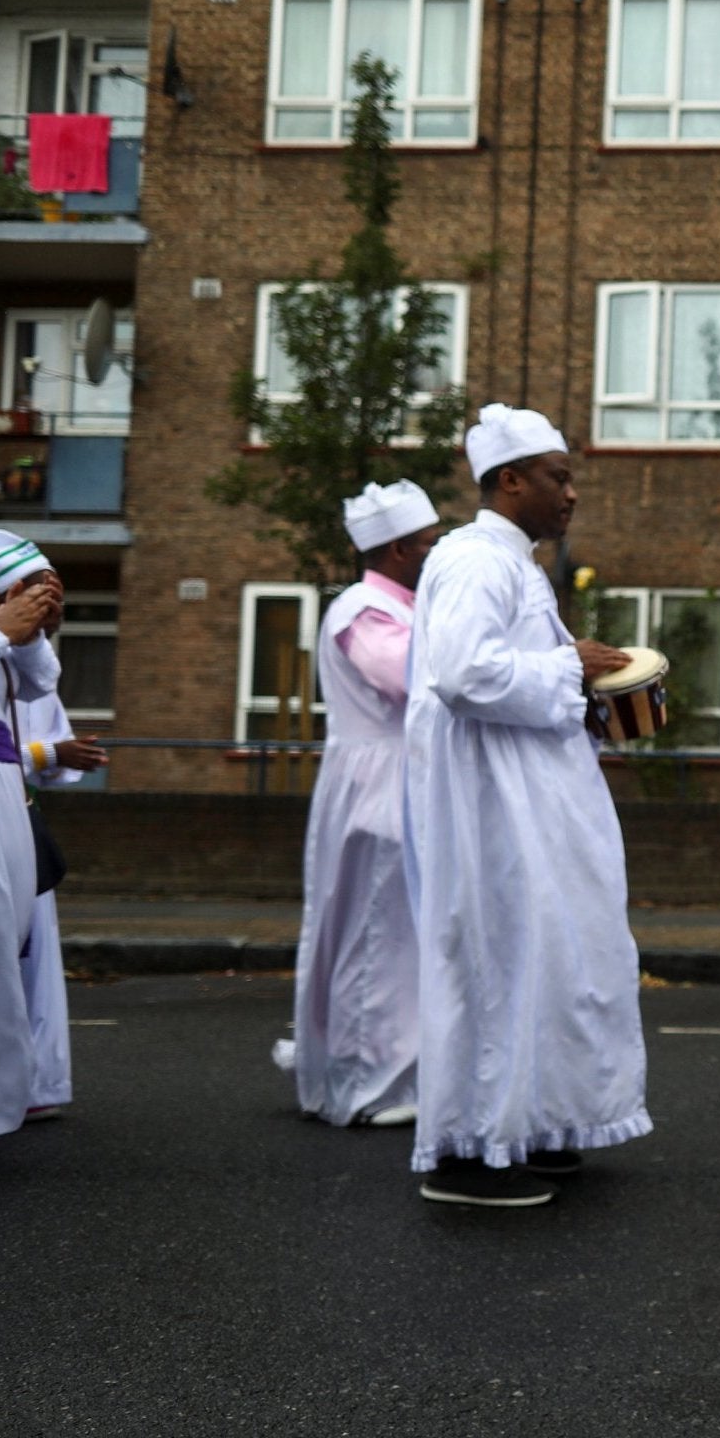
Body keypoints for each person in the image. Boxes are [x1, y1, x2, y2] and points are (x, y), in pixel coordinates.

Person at [405, 405, 649, 1208]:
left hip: (525, 796)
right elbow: (464, 674)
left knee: (547, 957)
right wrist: (566, 665)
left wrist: (583, 689)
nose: (571, 493)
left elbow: (521, 675)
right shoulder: (475, 558)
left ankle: (531, 1121)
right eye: (559, 476)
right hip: (490, 806)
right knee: (495, 956)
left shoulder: (512, 563)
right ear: (510, 480)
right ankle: (467, 1150)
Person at [276, 481, 440, 1128]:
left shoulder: (393, 605)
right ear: (399, 548)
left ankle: (379, 1067)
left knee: (395, 931)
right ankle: (367, 1084)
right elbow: (411, 677)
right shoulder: (365, 611)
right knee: (377, 931)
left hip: (396, 774)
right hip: (380, 782)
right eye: (427, 544)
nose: (434, 553)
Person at [0, 534, 60, 1150]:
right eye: (42, 586)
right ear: (9, 587)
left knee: (4, 933)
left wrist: (31, 632)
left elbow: (41, 684)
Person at [15, 656, 108, 1123]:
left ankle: (34, 1082)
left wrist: (59, 755)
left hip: (18, 818)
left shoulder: (35, 670)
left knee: (33, 958)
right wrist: (50, 754)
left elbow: (51, 757)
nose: (50, 607)